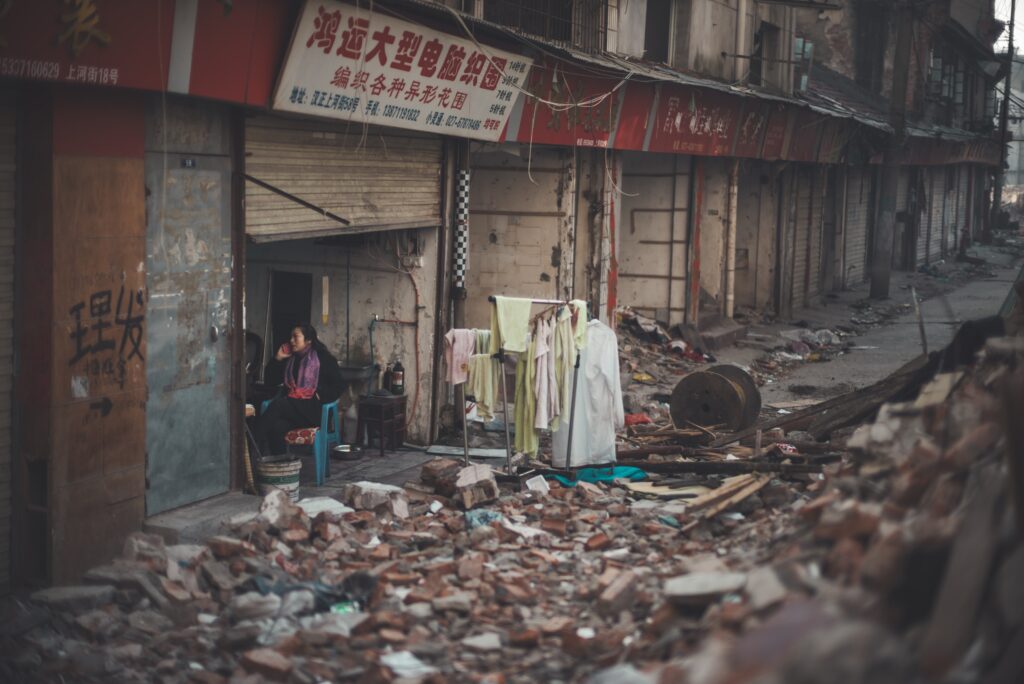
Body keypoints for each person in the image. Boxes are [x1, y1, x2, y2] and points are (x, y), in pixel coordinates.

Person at [257, 323, 342, 457]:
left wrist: (321, 396)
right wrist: (278, 359)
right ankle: (281, 466)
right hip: (294, 411)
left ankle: (252, 444)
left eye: (296, 337)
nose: (291, 341)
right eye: (291, 337)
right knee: (276, 428)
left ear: (308, 340)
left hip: (315, 411)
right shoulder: (291, 359)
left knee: (280, 404)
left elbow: (339, 385)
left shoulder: (323, 358)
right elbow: (270, 382)